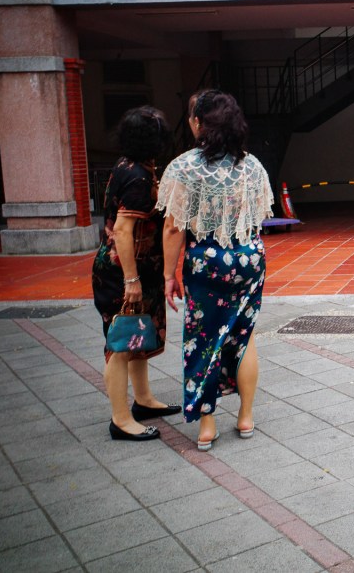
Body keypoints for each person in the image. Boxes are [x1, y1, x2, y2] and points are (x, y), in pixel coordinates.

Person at [157, 90, 273, 451]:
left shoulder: (184, 167)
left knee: (203, 338)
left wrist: (168, 275)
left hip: (206, 263)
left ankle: (207, 425)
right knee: (245, 335)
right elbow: (258, 216)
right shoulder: (252, 165)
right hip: (249, 259)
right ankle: (246, 416)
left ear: (198, 123)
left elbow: (173, 228)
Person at [93, 106, 181, 441]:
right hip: (123, 272)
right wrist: (131, 280)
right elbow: (122, 230)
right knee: (120, 342)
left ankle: (143, 401)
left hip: (139, 269)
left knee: (137, 336)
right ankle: (120, 420)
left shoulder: (129, 166)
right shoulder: (137, 177)